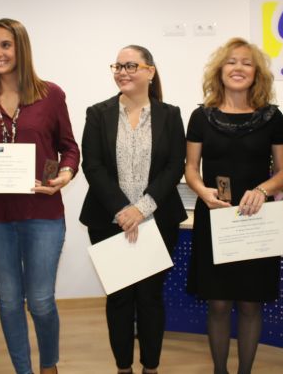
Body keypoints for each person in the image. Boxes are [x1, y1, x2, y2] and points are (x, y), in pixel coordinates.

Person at [0, 18, 79, 374]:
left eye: (5, 45)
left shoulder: (51, 95)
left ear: (21, 49)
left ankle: (49, 365)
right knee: (10, 302)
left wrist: (64, 174)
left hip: (43, 213)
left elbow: (69, 149)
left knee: (42, 301)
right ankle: (23, 370)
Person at [185, 37, 283, 374]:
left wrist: (262, 189)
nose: (239, 68)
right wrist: (203, 192)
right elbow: (190, 168)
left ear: (257, 73)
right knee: (217, 303)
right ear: (220, 70)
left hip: (256, 219)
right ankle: (220, 371)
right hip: (215, 217)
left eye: (247, 62)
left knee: (249, 303)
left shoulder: (273, 117)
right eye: (232, 62)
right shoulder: (201, 116)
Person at [80, 45, 187, 374]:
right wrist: (122, 210)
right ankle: (123, 368)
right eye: (117, 65)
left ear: (150, 71)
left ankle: (151, 368)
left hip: (158, 219)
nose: (122, 72)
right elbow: (93, 166)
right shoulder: (98, 113)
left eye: (131, 65)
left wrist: (141, 209)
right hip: (108, 220)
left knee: (151, 297)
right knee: (120, 298)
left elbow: (174, 167)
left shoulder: (170, 114)